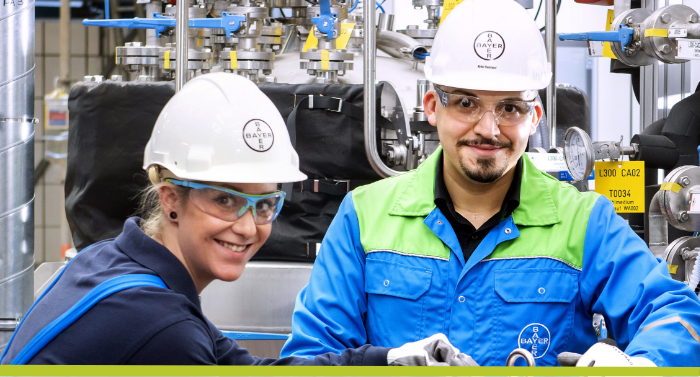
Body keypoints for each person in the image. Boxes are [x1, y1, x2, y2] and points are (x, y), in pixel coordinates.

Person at [280, 0, 700, 367]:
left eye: (510, 108)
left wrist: (637, 362)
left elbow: (676, 314)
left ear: (534, 117)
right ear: (432, 106)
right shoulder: (364, 217)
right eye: (466, 102)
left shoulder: (585, 222)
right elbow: (311, 355)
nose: (488, 128)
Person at [0, 73, 470, 366]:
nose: (247, 227)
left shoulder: (111, 262)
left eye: (265, 204)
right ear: (170, 199)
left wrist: (386, 359)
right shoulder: (163, 328)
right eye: (225, 201)